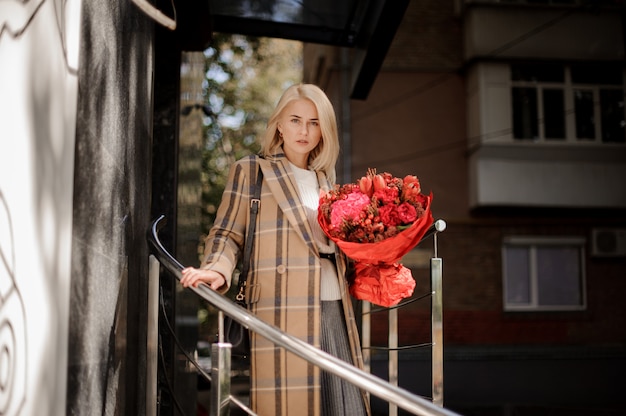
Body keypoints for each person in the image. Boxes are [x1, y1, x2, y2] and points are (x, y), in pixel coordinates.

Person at [181, 83, 370, 416]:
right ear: (279, 124)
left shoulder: (328, 181)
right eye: (295, 120)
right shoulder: (252, 171)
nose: (304, 130)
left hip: (333, 306)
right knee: (290, 407)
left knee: (343, 405)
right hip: (280, 307)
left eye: (314, 122)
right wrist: (216, 267)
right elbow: (227, 233)